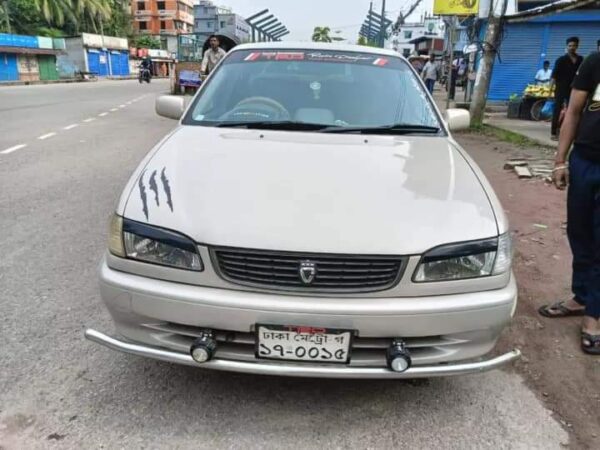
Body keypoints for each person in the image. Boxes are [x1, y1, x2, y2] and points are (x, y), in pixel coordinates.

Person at [538, 51, 600, 354]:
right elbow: (573, 112)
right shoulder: (595, 62)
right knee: (580, 234)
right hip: (585, 161)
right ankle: (581, 296)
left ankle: (594, 315)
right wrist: (560, 160)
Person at [550, 37, 583, 140]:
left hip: (574, 89)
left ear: (577, 46)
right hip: (560, 88)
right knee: (557, 109)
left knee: (573, 111)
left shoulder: (580, 60)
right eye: (570, 46)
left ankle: (569, 132)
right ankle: (554, 133)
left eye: (574, 46)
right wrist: (550, 90)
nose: (572, 48)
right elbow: (554, 76)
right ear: (566, 46)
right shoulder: (561, 60)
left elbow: (582, 74)